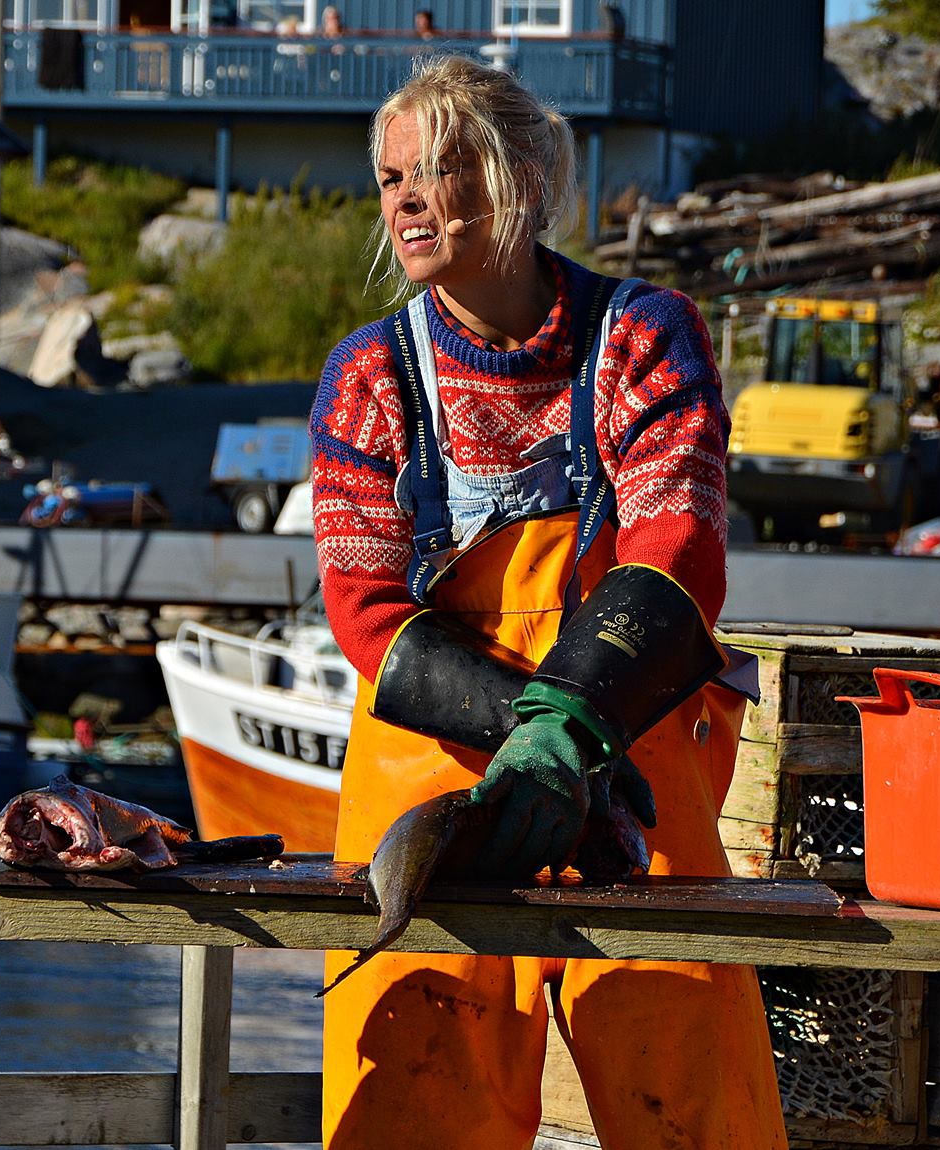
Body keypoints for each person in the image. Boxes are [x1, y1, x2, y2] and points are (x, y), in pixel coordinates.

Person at [309, 55, 787, 1149]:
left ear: (520, 175)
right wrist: (524, 737)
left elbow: (674, 549)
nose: (409, 200)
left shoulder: (641, 336)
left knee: (691, 1104)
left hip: (633, 771)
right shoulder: (367, 377)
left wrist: (570, 730)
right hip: (429, 796)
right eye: (391, 180)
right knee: (415, 1104)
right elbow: (366, 610)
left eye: (438, 167)